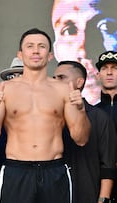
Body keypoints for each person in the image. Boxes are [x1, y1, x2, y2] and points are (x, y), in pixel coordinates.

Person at [0, 28, 91, 203]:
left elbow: (81, 139)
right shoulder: (4, 89)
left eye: (41, 46)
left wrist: (81, 110)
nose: (35, 51)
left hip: (54, 170)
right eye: (30, 46)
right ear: (21, 53)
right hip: (16, 171)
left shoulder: (62, 89)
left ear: (49, 55)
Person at [54, 60, 116, 203]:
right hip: (54, 193)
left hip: (87, 194)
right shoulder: (50, 116)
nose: (55, 82)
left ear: (80, 82)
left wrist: (103, 199)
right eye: (54, 78)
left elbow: (108, 164)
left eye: (61, 78)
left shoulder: (99, 117)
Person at [95, 50, 117, 202]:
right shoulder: (91, 112)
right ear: (98, 75)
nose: (109, 72)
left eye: (114, 68)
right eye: (104, 68)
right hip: (98, 183)